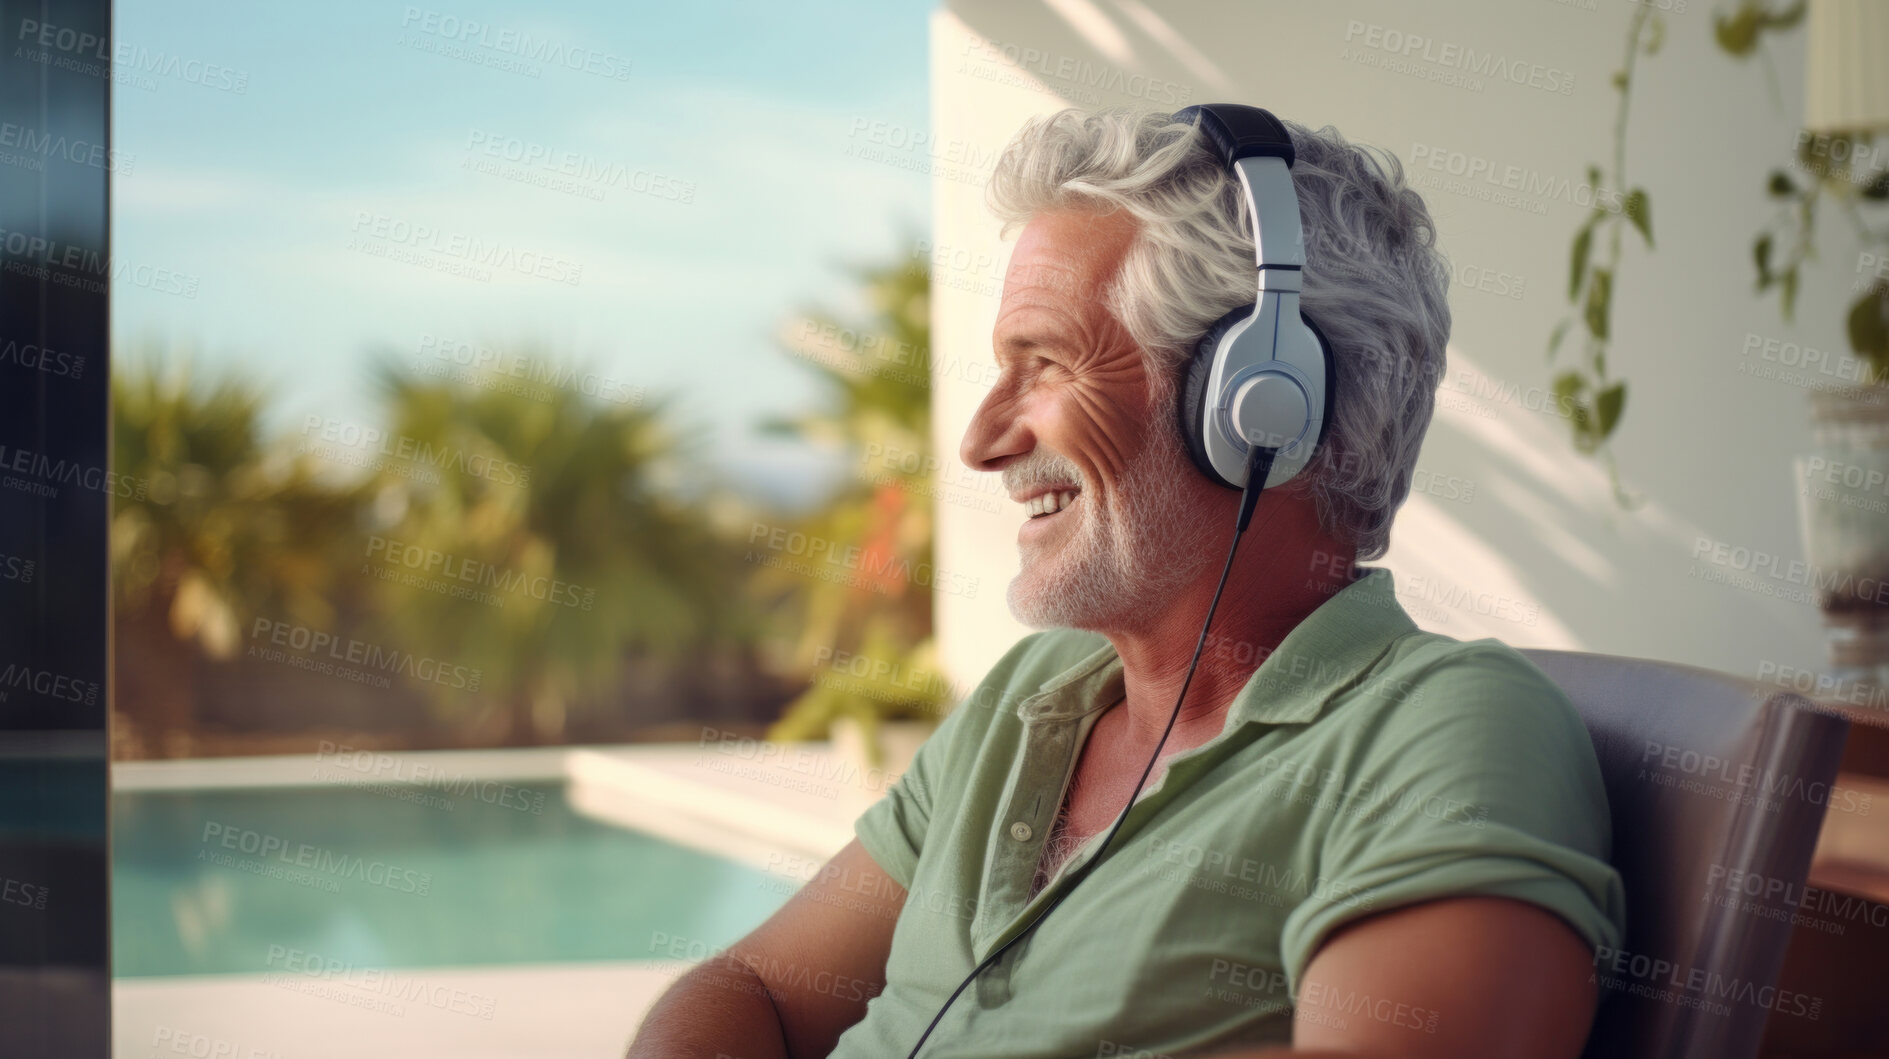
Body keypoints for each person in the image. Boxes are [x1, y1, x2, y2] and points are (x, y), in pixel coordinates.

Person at [628, 104, 1625, 1059]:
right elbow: (752, 989)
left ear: (1258, 407)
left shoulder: (1445, 723)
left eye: (1046, 364)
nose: (979, 442)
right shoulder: (1032, 697)